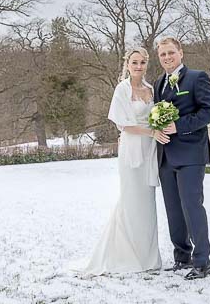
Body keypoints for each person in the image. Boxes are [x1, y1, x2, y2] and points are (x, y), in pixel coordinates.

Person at [73, 47, 167, 276]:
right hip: (132, 148)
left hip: (150, 150)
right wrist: (151, 133)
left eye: (142, 62)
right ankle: (125, 255)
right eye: (134, 62)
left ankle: (147, 257)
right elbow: (123, 125)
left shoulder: (151, 89)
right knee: (131, 199)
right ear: (127, 64)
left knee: (147, 203)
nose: (138, 66)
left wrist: (159, 128)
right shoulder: (122, 89)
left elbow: (155, 117)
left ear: (146, 64)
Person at [153, 36, 210, 280]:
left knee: (192, 206)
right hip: (165, 156)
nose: (167, 58)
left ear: (181, 53)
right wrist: (158, 130)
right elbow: (157, 117)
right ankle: (182, 257)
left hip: (191, 153)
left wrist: (178, 126)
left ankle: (202, 262)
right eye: (162, 55)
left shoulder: (197, 77)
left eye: (171, 53)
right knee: (173, 210)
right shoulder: (158, 82)